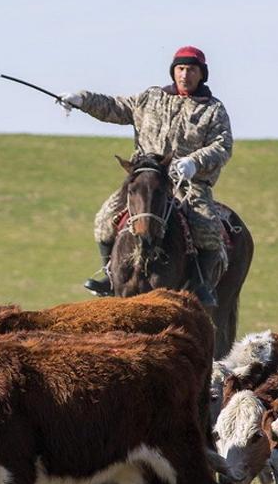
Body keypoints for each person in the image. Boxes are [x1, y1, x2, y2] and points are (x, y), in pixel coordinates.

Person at [60, 45, 232, 306]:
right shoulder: (150, 98)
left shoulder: (213, 110)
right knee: (105, 219)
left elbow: (222, 146)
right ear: (173, 71)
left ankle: (201, 284)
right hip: (145, 176)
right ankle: (109, 276)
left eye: (191, 69)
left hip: (187, 181)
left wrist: (194, 163)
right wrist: (81, 100)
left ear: (202, 74)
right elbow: (115, 107)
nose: (184, 75)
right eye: (180, 68)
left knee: (208, 229)